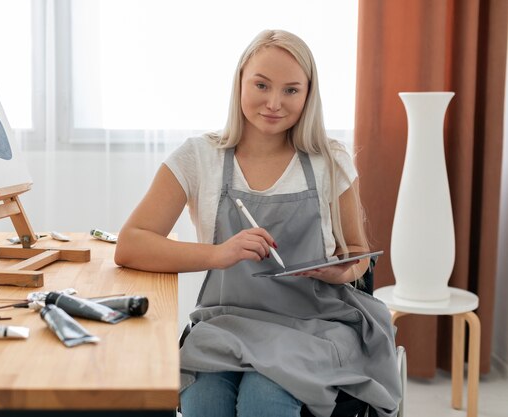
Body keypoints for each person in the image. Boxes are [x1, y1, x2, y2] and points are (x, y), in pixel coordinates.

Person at [115, 29, 401, 417]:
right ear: (240, 82)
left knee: (262, 401)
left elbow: (358, 254)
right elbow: (130, 244)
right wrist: (219, 254)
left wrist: (340, 271)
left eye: (291, 90)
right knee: (202, 402)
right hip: (226, 323)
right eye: (262, 85)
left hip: (314, 325)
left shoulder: (329, 160)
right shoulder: (198, 157)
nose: (274, 103)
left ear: (308, 94)